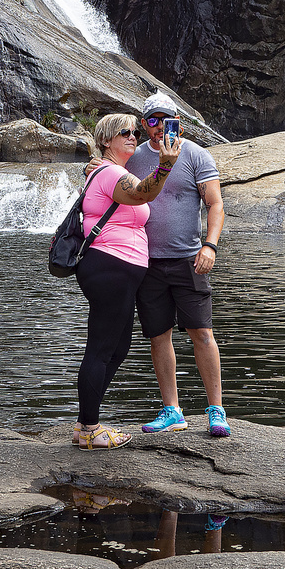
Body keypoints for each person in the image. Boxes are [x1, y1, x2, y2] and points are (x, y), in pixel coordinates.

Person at [70, 113, 182, 451]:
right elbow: (142, 193)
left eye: (136, 131)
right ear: (106, 140)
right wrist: (164, 166)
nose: (133, 136)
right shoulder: (112, 173)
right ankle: (90, 428)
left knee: (117, 347)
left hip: (118, 269)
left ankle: (85, 421)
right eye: (125, 132)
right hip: (111, 267)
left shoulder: (104, 170)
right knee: (102, 347)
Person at [125, 92, 229, 438]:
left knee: (202, 333)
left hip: (188, 259)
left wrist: (210, 245)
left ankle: (216, 410)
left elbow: (215, 204)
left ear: (177, 122)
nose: (158, 127)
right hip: (148, 262)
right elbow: (113, 182)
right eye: (151, 120)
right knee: (158, 336)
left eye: (165, 120)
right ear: (143, 125)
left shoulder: (196, 154)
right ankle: (172, 410)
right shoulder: (134, 158)